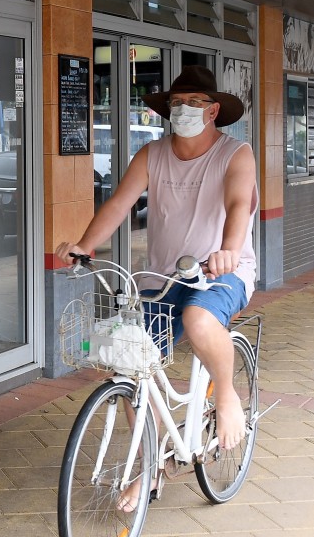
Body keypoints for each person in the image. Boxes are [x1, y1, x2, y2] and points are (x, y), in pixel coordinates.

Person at [56, 66, 258, 507]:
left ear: (213, 111)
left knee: (199, 320)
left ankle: (226, 399)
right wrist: (85, 247)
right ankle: (151, 466)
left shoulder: (235, 154)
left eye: (193, 103)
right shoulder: (152, 154)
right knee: (127, 358)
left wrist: (228, 248)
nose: (182, 110)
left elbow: (239, 203)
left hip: (221, 272)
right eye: (176, 103)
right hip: (163, 277)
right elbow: (119, 204)